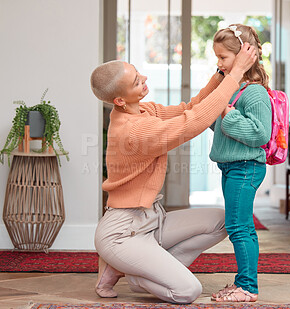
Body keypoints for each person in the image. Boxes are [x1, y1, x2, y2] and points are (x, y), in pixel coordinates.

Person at [89, 42, 257, 304]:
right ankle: (134, 273)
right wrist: (236, 75)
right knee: (187, 291)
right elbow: (193, 122)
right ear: (119, 100)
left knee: (223, 221)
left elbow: (188, 109)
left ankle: (134, 267)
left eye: (138, 73)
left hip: (152, 222)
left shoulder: (143, 110)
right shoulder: (134, 132)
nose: (144, 79)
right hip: (123, 233)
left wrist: (221, 74)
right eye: (136, 81)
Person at [209, 24, 272, 302]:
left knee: (239, 226)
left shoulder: (255, 93)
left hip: (246, 167)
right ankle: (242, 282)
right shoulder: (234, 89)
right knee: (239, 224)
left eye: (223, 57)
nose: (219, 63)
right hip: (232, 166)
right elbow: (220, 126)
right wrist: (218, 112)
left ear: (244, 56)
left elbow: (261, 134)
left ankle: (247, 287)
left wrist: (229, 116)